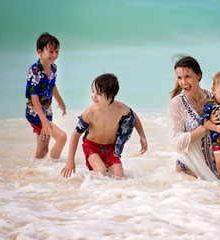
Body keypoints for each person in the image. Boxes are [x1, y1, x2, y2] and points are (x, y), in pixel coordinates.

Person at [61, 73, 147, 179]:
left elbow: (133, 117)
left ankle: (108, 194)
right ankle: (89, 190)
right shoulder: (90, 112)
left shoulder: (120, 108)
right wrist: (70, 161)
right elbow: (76, 134)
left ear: (110, 97)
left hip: (111, 149)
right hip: (91, 147)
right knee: (100, 171)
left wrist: (142, 136)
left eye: (99, 94)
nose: (94, 96)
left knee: (120, 178)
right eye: (93, 91)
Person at [168, 56, 220, 181]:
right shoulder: (177, 104)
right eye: (179, 78)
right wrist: (205, 126)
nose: (183, 82)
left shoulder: (213, 98)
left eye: (187, 76)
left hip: (214, 169)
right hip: (189, 169)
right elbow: (177, 144)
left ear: (199, 75)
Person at [25, 32, 67, 160]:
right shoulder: (34, 71)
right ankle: (54, 168)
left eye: (57, 51)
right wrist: (44, 120)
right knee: (62, 137)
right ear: (39, 52)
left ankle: (35, 172)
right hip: (35, 114)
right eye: (50, 51)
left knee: (43, 150)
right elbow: (34, 97)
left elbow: (52, 85)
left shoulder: (53, 68)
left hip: (47, 112)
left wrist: (60, 101)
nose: (54, 55)